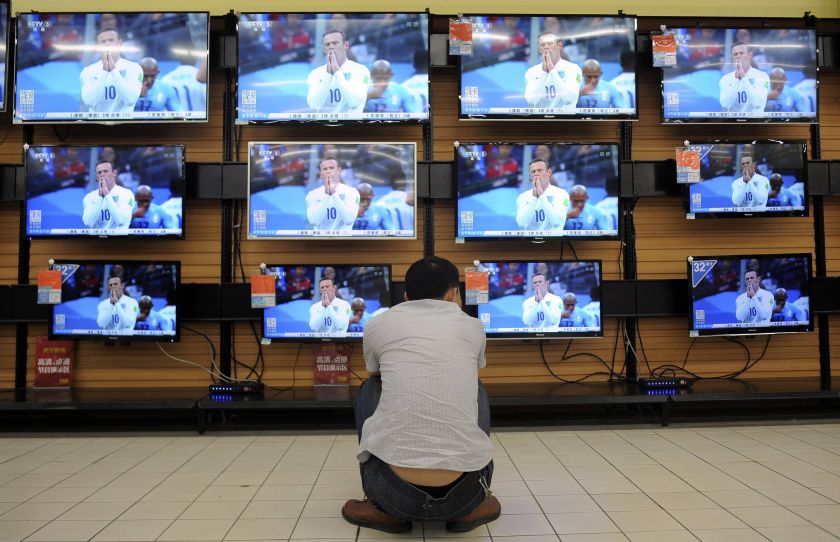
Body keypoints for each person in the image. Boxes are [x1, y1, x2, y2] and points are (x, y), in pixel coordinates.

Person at [342, 256, 498, 533]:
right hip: (467, 492)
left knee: (371, 386)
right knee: (477, 387)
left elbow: (374, 371)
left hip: (390, 492)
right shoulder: (474, 326)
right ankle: (473, 506)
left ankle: (379, 508)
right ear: (453, 294)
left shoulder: (378, 324)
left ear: (405, 296)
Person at [306, 28, 371, 114]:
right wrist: (328, 75)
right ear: (324, 49)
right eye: (327, 44)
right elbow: (314, 105)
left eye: (335, 43)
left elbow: (355, 103)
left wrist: (337, 72)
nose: (331, 47)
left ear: (346, 45)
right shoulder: (315, 74)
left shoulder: (361, 70)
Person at [80, 28, 143, 114]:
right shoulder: (88, 71)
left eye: (111, 40)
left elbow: (130, 100)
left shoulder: (134, 68)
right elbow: (89, 102)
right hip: (96, 125)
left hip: (125, 124)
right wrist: (105, 72)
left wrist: (113, 70)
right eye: (103, 42)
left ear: (119, 44)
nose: (107, 44)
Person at [524, 31, 582, 110]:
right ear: (539, 50)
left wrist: (552, 70)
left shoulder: (573, 69)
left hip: (565, 120)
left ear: (560, 45)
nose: (546, 47)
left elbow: (568, 99)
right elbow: (531, 101)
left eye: (550, 43)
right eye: (542, 44)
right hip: (540, 120)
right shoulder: (531, 72)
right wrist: (544, 72)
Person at [305, 158, 361, 231]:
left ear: (339, 170)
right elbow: (314, 221)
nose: (328, 171)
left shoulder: (352, 192)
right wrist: (326, 195)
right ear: (320, 174)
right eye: (325, 169)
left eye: (331, 168)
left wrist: (334, 194)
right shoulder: (312, 195)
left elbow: (349, 220)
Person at [515, 158, 570, 232]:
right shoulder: (523, 197)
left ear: (549, 172)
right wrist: (534, 197)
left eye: (540, 170)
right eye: (533, 172)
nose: (536, 174)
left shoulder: (561, 194)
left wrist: (541, 195)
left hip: (554, 242)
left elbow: (557, 222)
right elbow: (522, 224)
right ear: (530, 176)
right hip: (529, 242)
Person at [82, 159, 135, 230]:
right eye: (99, 172)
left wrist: (107, 195)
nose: (102, 174)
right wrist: (100, 197)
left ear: (115, 173)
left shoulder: (126, 194)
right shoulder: (89, 197)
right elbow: (88, 223)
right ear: (97, 177)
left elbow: (121, 221)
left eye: (105, 171)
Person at [719, 42, 769, 114]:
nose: (738, 56)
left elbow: (757, 103)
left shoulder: (762, 76)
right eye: (735, 54)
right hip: (733, 123)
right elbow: (725, 105)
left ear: (750, 55)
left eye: (741, 53)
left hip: (755, 123)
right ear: (732, 57)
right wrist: (736, 79)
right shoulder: (725, 79)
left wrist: (743, 78)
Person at [159, 47, 207, 114]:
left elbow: (161, 104)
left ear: (179, 59)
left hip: (175, 121)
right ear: (195, 58)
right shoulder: (202, 77)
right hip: (200, 121)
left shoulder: (166, 79)